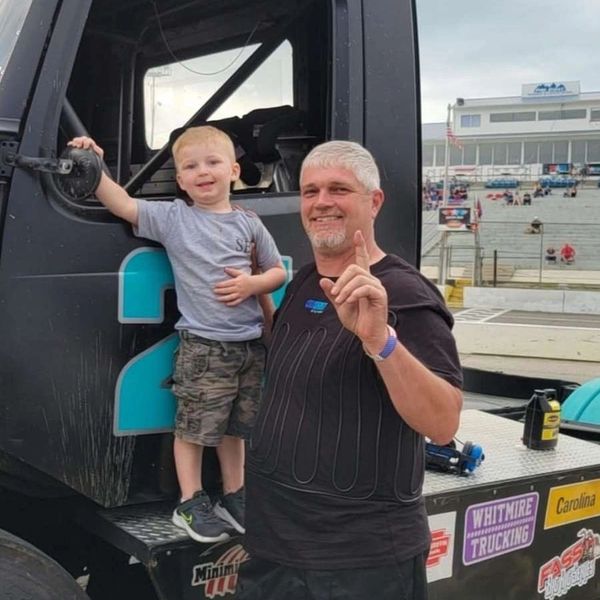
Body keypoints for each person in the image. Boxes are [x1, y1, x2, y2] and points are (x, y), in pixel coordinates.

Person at [236, 141, 463, 600]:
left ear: (374, 202)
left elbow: (443, 423)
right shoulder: (305, 281)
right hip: (273, 546)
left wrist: (381, 342)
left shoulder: (402, 294)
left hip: (358, 563)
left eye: (339, 189)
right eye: (310, 191)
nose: (322, 202)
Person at [68, 127, 287, 543]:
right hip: (204, 348)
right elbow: (123, 204)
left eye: (213, 162)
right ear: (180, 180)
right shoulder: (174, 218)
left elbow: (275, 271)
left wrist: (252, 285)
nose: (202, 172)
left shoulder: (250, 224)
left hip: (249, 346)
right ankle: (190, 501)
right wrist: (92, 163)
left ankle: (235, 494)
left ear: (233, 170)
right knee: (193, 428)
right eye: (190, 166)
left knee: (235, 428)